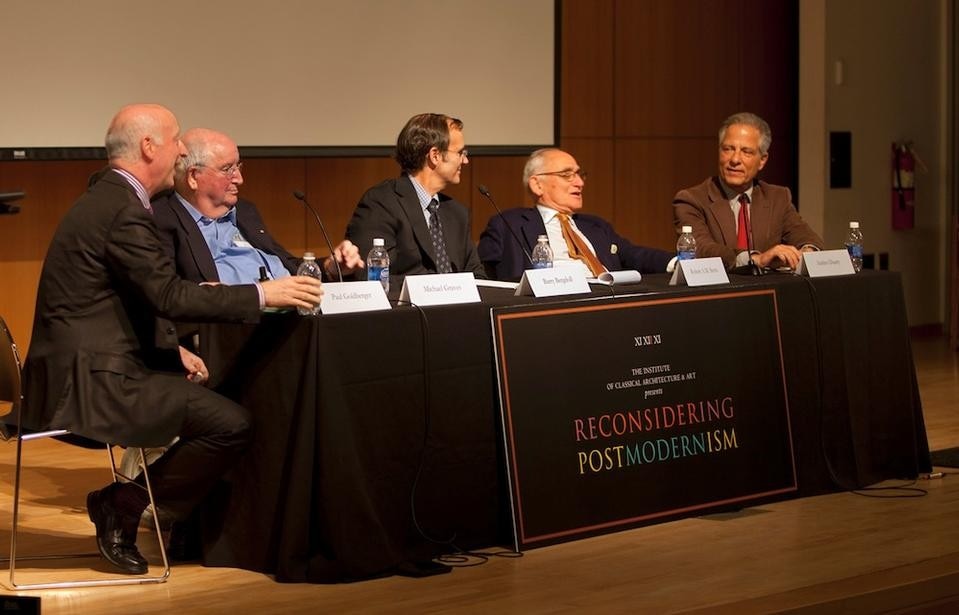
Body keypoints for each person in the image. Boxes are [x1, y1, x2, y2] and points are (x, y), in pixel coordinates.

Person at [21, 104, 322, 575]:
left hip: (87, 364)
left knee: (222, 408)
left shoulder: (109, 199)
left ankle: (148, 511)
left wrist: (171, 347)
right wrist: (262, 293)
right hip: (88, 381)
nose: (181, 149)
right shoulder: (122, 209)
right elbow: (166, 293)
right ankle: (124, 504)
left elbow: (122, 299)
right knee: (230, 423)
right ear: (148, 147)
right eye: (176, 139)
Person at [152, 128, 362, 284]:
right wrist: (262, 295)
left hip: (293, 316)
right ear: (193, 177)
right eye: (227, 169)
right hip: (235, 328)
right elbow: (172, 297)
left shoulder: (245, 212)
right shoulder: (164, 219)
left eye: (238, 166)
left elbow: (288, 265)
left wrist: (331, 267)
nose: (240, 179)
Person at [478, 148, 673, 281]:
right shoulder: (508, 224)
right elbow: (484, 274)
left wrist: (679, 262)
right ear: (537, 184)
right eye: (567, 175)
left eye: (579, 174)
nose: (580, 182)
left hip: (606, 301)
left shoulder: (595, 225)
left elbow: (633, 254)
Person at [672, 112, 823, 271]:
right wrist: (755, 259)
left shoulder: (777, 197)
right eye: (728, 149)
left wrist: (806, 252)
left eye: (746, 152)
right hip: (718, 291)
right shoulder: (691, 200)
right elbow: (701, 249)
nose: (735, 160)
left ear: (762, 160)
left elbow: (806, 237)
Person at [345, 113, 485, 281]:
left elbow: (478, 277)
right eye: (460, 153)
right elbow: (371, 277)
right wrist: (435, 289)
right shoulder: (381, 203)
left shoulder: (457, 213)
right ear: (435, 156)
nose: (465, 161)